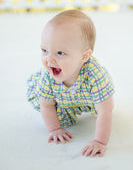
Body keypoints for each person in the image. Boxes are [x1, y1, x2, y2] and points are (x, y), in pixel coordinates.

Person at [26, 10, 115, 157]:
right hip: (61, 100)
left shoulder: (96, 76)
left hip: (86, 95)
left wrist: (100, 141)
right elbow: (46, 105)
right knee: (55, 112)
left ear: (84, 56)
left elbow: (105, 112)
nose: (49, 60)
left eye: (60, 53)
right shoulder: (47, 76)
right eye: (45, 50)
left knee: (105, 105)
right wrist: (54, 129)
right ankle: (65, 110)